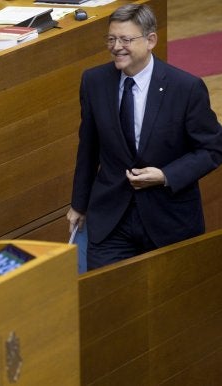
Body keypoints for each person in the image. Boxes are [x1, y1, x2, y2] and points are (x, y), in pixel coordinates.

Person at [67, 4, 222, 270]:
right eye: (111, 39)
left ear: (151, 40)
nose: (117, 46)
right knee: (108, 299)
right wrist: (78, 205)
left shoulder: (185, 88)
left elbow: (213, 149)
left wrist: (166, 175)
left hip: (168, 219)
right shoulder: (94, 82)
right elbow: (88, 147)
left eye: (126, 39)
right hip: (111, 218)